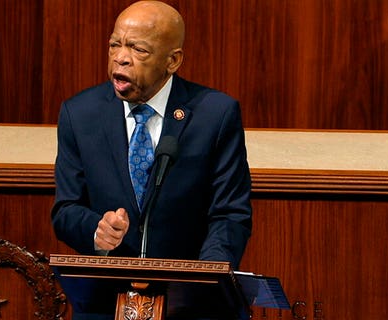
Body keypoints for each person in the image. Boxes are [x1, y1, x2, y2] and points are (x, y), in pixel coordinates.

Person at [51, 1, 252, 318]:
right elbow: (65, 210)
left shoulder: (215, 115)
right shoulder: (80, 114)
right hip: (107, 303)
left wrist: (203, 280)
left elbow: (229, 214)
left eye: (138, 50)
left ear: (173, 61)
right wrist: (97, 231)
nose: (121, 57)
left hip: (193, 307)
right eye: (115, 44)